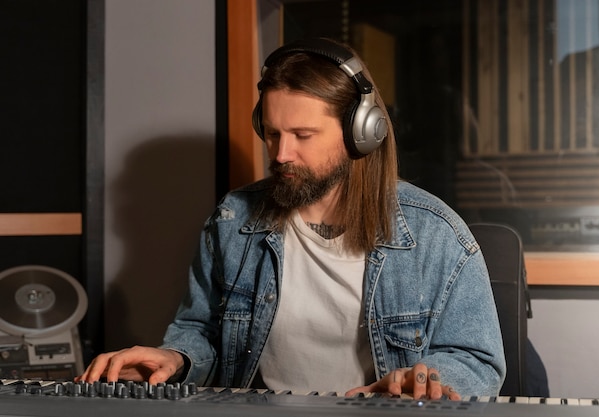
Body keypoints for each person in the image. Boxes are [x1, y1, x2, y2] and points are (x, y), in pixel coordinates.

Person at [78, 37, 505, 400]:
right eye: (272, 133)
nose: (281, 154)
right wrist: (176, 359)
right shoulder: (232, 220)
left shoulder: (435, 234)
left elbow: (477, 361)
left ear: (361, 133)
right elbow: (201, 332)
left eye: (303, 136)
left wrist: (422, 381)